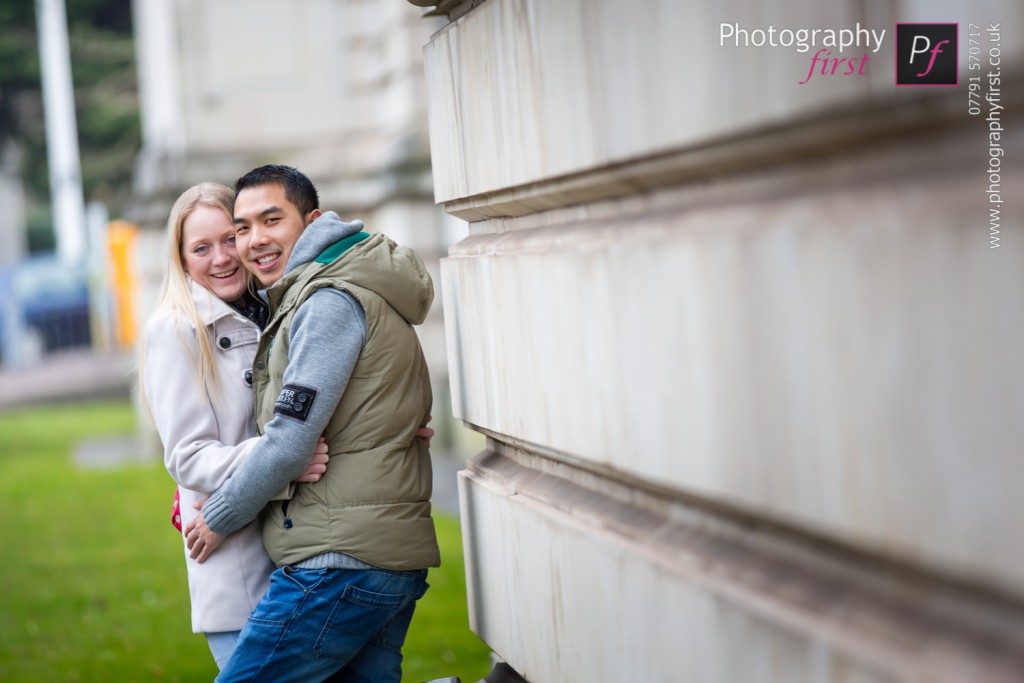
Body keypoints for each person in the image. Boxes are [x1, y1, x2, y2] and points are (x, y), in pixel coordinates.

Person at [184, 165, 450, 683]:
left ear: (313, 221)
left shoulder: (326, 302)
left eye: (271, 220)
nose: (254, 240)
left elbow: (289, 443)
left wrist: (218, 517)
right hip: (373, 554)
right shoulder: (334, 287)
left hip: (339, 562)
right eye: (243, 228)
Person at [139, 182, 331, 668]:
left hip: (298, 547)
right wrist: (286, 455)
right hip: (237, 570)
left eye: (230, 238)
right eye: (201, 248)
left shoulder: (271, 309)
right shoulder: (177, 330)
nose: (222, 258)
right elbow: (188, 457)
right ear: (182, 260)